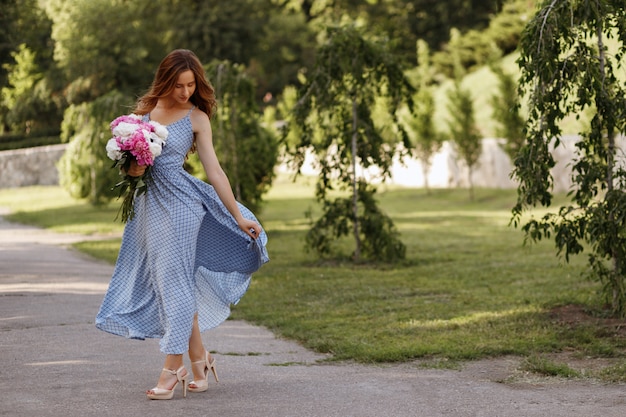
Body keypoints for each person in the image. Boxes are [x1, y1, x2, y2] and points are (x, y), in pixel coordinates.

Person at [95, 49, 269, 400]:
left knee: (173, 282)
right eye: (179, 85)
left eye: (191, 85)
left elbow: (215, 170)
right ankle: (200, 360)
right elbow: (130, 173)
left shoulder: (197, 117)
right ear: (165, 81)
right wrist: (135, 167)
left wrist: (237, 214)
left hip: (183, 205)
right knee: (170, 283)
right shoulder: (142, 116)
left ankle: (171, 368)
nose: (186, 92)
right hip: (149, 208)